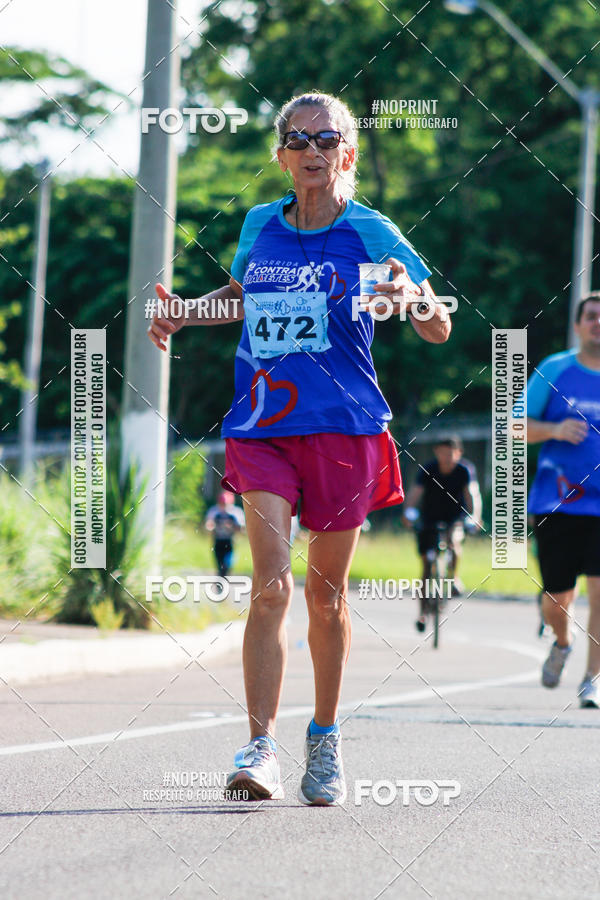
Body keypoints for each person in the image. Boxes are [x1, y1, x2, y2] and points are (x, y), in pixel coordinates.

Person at [148, 91, 451, 805]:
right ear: (281, 156)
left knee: (325, 595)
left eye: (326, 138)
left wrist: (409, 297)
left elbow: (438, 327)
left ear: (345, 153)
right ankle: (259, 745)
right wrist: (188, 314)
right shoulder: (260, 225)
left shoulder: (372, 231)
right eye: (297, 138)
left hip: (346, 429)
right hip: (262, 424)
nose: (311, 150)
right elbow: (241, 295)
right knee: (272, 586)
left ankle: (324, 736)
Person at [527, 292, 600, 708]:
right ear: (578, 325)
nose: (598, 324)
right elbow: (515, 424)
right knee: (557, 600)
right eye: (591, 317)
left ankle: (592, 679)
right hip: (558, 502)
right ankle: (561, 639)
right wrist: (554, 431)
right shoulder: (557, 369)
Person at [402, 436, 482, 630]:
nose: (446, 457)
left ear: (459, 453)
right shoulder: (428, 470)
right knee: (426, 565)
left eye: (451, 453)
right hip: (429, 519)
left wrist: (474, 517)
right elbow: (414, 494)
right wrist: (408, 512)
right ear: (436, 452)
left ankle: (453, 576)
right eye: (442, 452)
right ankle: (422, 613)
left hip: (454, 519)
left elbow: (473, 496)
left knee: (454, 541)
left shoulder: (464, 470)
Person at [205, 491, 245, 577]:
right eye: (222, 503)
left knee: (227, 564)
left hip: (230, 541)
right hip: (218, 540)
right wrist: (211, 527)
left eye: (225, 504)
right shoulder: (214, 511)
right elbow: (209, 524)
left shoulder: (236, 512)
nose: (223, 506)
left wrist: (232, 527)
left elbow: (241, 529)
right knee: (219, 564)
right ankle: (221, 581)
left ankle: (224, 578)